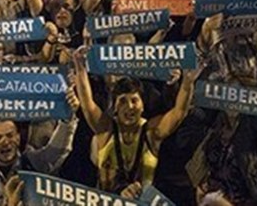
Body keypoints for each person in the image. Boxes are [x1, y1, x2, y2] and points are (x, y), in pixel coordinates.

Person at [73, 47, 198, 195]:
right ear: (115, 108)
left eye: (134, 100)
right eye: (123, 101)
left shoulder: (152, 132)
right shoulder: (106, 129)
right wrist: (79, 66)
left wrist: (188, 81)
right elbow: (87, 103)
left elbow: (179, 112)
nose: (130, 106)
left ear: (142, 106)